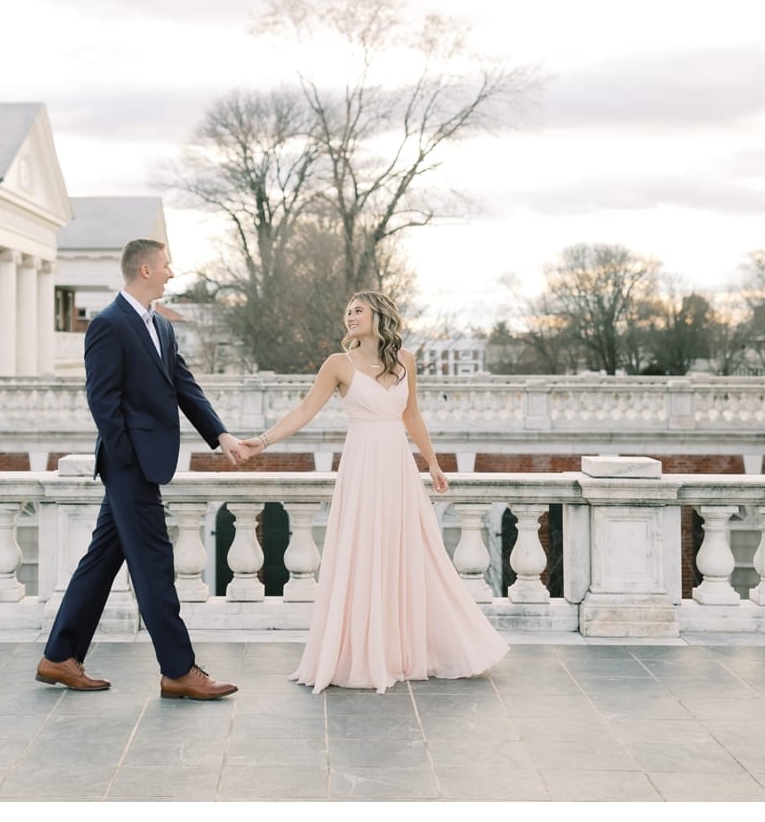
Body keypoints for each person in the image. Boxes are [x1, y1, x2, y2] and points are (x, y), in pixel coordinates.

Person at [239, 291, 508, 693]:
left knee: (409, 552)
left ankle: (407, 649)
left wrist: (432, 463)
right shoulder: (338, 365)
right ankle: (362, 653)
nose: (350, 316)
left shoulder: (406, 361)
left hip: (398, 467)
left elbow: (411, 415)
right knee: (363, 551)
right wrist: (262, 441)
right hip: (362, 467)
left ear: (379, 316)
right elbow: (304, 411)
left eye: (358, 310)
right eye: (347, 310)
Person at [36, 239, 247, 701]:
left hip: (140, 465)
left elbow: (184, 385)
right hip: (129, 466)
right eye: (167, 265)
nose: (172, 273)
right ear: (146, 269)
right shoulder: (109, 324)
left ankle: (59, 656)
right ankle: (178, 670)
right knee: (155, 566)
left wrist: (222, 436)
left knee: (101, 561)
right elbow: (102, 400)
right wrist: (127, 462)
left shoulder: (161, 327)